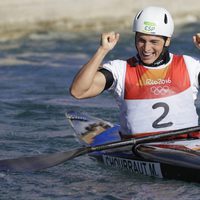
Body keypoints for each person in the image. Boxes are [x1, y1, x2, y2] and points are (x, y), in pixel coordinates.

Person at [70, 6, 200, 139]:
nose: (146, 48)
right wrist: (102, 50)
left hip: (189, 147)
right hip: (139, 150)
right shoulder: (120, 70)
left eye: (154, 42)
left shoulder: (190, 65)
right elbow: (78, 92)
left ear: (167, 41)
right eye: (141, 40)